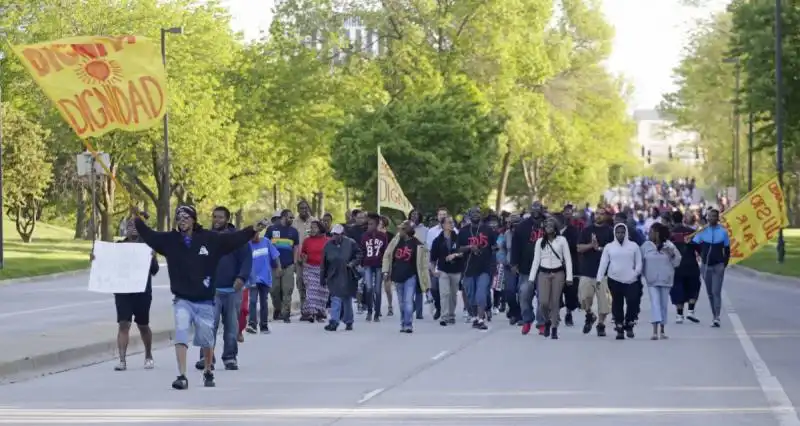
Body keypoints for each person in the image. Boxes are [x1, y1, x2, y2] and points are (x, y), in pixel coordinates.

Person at [132, 205, 266, 390]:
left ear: (194, 219)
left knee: (206, 339)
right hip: (182, 299)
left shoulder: (209, 239)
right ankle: (182, 375)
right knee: (181, 335)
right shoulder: (170, 240)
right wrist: (138, 220)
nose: (182, 220)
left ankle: (208, 370)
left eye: (186, 217)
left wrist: (253, 230)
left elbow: (233, 240)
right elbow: (150, 235)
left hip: (204, 299)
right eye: (179, 217)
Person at [97, 219, 160, 372]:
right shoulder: (118, 247)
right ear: (125, 229)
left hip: (142, 292)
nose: (133, 230)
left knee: (143, 325)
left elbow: (154, 270)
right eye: (130, 227)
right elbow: (106, 266)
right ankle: (122, 360)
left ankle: (148, 355)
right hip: (123, 291)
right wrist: (95, 258)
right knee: (123, 324)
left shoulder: (147, 246)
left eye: (136, 227)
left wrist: (152, 257)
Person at [196, 207, 252, 371]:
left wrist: (241, 278)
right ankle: (206, 358)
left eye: (220, 217)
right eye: (214, 217)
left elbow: (247, 260)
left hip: (232, 290)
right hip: (212, 290)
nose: (217, 220)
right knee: (209, 325)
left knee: (231, 327)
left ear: (227, 219)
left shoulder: (237, 239)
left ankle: (230, 357)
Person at [382, 221, 431, 333]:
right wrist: (385, 271)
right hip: (397, 275)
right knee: (402, 302)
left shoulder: (417, 244)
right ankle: (403, 322)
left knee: (408, 301)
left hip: (411, 276)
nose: (399, 231)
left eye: (402, 229)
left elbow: (423, 265)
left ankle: (408, 324)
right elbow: (387, 255)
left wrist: (426, 282)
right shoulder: (395, 241)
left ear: (407, 231)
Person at [596, 223, 642, 340]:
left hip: (631, 280)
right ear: (614, 234)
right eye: (618, 232)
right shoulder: (609, 247)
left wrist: (635, 273)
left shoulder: (634, 246)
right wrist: (599, 278)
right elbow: (603, 263)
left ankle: (629, 322)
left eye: (622, 232)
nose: (620, 235)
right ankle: (619, 327)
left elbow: (639, 263)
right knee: (617, 304)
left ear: (626, 233)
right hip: (614, 279)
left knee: (632, 302)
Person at [528, 218, 572, 339]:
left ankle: (554, 327)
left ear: (555, 227)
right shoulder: (539, 242)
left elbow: (567, 259)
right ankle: (546, 320)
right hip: (543, 273)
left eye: (551, 225)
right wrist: (531, 278)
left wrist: (569, 277)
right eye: (546, 225)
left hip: (558, 273)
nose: (549, 227)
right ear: (544, 228)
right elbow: (536, 261)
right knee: (543, 302)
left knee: (555, 301)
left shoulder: (562, 240)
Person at [577, 208, 614, 337]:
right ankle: (590, 315)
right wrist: (591, 246)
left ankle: (601, 324)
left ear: (605, 216)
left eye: (601, 214)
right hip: (587, 270)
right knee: (583, 298)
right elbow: (579, 248)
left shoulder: (610, 231)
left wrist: (599, 248)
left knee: (604, 301)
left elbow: (613, 250)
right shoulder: (586, 230)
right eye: (597, 213)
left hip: (603, 273)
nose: (598, 216)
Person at [458, 208, 497, 331]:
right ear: (469, 216)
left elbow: (494, 246)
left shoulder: (488, 230)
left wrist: (495, 249)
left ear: (481, 216)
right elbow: (458, 249)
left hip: (485, 267)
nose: (476, 215)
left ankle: (481, 319)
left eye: (478, 214)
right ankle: (474, 316)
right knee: (470, 295)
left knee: (481, 293)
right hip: (469, 267)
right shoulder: (463, 231)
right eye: (473, 214)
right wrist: (470, 247)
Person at [641, 223, 681, 340]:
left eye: (651, 232)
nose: (649, 234)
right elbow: (640, 261)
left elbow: (677, 262)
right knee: (655, 303)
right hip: (652, 280)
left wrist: (671, 254)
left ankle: (662, 330)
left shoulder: (669, 245)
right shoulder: (646, 246)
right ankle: (654, 331)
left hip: (665, 279)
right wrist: (640, 274)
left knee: (663, 305)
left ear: (657, 233)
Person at [691, 208, 730, 328]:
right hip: (706, 266)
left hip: (718, 266)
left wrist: (724, 264)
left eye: (714, 216)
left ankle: (717, 317)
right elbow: (694, 243)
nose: (712, 218)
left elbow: (727, 250)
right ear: (707, 217)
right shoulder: (703, 231)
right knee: (710, 293)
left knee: (716, 292)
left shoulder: (723, 232)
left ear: (718, 218)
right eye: (710, 216)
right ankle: (714, 315)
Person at [511, 202, 545, 335]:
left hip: (545, 268)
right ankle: (527, 320)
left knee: (543, 298)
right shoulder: (522, 226)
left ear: (542, 211)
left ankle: (541, 323)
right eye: (534, 210)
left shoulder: (549, 225)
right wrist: (514, 263)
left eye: (538, 210)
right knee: (524, 295)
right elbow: (515, 246)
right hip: (526, 268)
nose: (536, 212)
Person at [322, 224, 362, 331]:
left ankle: (349, 321)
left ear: (342, 234)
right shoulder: (328, 245)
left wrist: (352, 263)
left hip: (347, 274)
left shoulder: (351, 243)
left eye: (337, 234)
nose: (335, 236)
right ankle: (334, 321)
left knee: (347, 299)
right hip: (333, 275)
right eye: (333, 234)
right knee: (335, 298)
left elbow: (359, 255)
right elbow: (324, 263)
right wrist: (323, 278)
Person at [245, 226, 282, 335]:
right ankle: (252, 324)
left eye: (255, 234)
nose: (254, 237)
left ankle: (264, 325)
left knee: (264, 302)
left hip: (265, 277)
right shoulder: (247, 246)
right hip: (252, 278)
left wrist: (279, 267)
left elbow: (275, 256)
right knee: (252, 301)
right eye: (251, 236)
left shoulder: (266, 242)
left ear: (258, 233)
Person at [267, 209, 300, 322]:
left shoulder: (294, 232)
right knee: (274, 290)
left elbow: (296, 247)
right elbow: (266, 245)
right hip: (274, 265)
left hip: (289, 264)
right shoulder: (271, 229)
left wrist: (295, 262)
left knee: (287, 289)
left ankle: (286, 313)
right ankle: (278, 308)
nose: (292, 219)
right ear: (283, 217)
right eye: (290, 217)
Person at [430, 216, 464, 326]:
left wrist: (455, 255)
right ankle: (444, 316)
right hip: (443, 269)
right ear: (443, 225)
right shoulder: (437, 241)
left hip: (456, 269)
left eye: (452, 222)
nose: (451, 224)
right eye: (449, 222)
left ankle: (451, 315)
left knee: (453, 294)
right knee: (444, 293)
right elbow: (433, 258)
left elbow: (463, 252)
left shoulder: (458, 238)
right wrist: (432, 270)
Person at [669, 211, 701, 324]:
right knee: (694, 286)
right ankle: (691, 311)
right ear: (682, 219)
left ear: (672, 220)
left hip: (676, 267)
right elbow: (699, 248)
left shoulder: (670, 234)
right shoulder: (691, 232)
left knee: (678, 288)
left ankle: (679, 315)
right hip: (691, 264)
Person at [360, 213, 388, 322]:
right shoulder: (364, 236)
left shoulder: (383, 236)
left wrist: (386, 267)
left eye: (371, 224)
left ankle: (377, 313)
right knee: (369, 288)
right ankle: (369, 311)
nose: (369, 226)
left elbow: (385, 252)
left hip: (379, 265)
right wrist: (362, 263)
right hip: (367, 264)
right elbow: (362, 250)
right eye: (368, 224)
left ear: (376, 225)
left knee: (377, 289)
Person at [301, 221, 330, 322]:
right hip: (310, 268)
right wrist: (303, 259)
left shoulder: (327, 240)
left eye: (314, 228)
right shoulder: (307, 241)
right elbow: (303, 252)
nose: (312, 229)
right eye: (311, 227)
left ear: (320, 229)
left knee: (322, 291)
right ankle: (311, 313)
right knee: (311, 291)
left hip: (323, 269)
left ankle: (320, 313)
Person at [554, 213, 579, 327]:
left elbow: (576, 246)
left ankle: (569, 313)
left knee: (570, 293)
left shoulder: (573, 231)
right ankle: (557, 313)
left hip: (570, 267)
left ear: (562, 222)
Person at [293, 200, 317, 322]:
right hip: (299, 260)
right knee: (300, 284)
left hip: (312, 260)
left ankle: (313, 310)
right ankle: (304, 310)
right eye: (301, 208)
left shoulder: (314, 221)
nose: (304, 210)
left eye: (305, 208)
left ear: (309, 208)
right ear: (298, 210)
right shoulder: (294, 223)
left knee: (311, 286)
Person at [425, 207, 450, 321]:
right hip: (435, 263)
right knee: (434, 288)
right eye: (440, 214)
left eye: (444, 214)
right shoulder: (431, 231)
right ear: (437, 216)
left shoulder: (453, 230)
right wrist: (430, 265)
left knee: (446, 289)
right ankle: (438, 307)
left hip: (449, 263)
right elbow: (429, 249)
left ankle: (446, 310)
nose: (442, 216)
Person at [378, 215, 395, 317]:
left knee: (387, 287)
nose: (378, 227)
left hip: (388, 263)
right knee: (377, 288)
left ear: (385, 226)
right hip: (376, 263)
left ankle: (390, 306)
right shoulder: (373, 235)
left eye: (380, 225)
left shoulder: (390, 236)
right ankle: (377, 307)